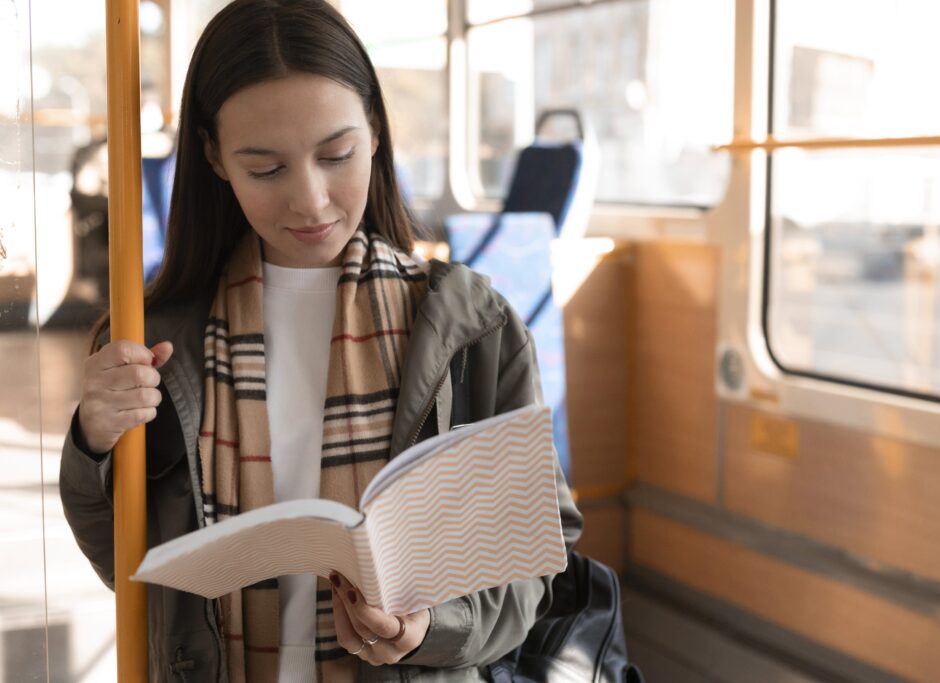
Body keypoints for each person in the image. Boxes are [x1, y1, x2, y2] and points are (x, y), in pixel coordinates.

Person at [58, 1, 582, 681]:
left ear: (374, 132)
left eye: (336, 154)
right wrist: (93, 440)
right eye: (266, 169)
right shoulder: (157, 340)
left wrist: (429, 626)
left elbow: (533, 565)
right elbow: (125, 566)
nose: (310, 200)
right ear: (214, 156)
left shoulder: (473, 328)